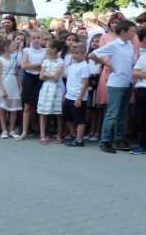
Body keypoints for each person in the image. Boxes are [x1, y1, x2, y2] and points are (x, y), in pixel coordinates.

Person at [89, 19, 137, 153]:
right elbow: (92, 55)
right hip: (116, 83)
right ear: (123, 32)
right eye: (132, 31)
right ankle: (104, 140)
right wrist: (107, 64)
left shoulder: (129, 45)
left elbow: (131, 63)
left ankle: (119, 139)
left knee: (122, 113)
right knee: (112, 113)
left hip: (127, 82)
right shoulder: (113, 45)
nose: (134, 33)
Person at [19, 30, 48, 140]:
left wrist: (32, 65)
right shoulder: (27, 50)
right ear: (30, 40)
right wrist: (39, 65)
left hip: (40, 79)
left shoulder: (45, 51)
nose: (36, 40)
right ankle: (25, 131)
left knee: (39, 107)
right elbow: (24, 65)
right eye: (34, 38)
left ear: (41, 39)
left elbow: (45, 66)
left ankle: (42, 133)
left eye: (38, 38)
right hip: (29, 79)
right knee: (27, 106)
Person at [62, 42, 91, 147]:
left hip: (78, 96)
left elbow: (85, 83)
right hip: (69, 95)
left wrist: (79, 98)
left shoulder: (84, 66)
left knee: (79, 119)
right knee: (67, 116)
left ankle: (79, 140)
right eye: (73, 52)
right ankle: (74, 135)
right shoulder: (73, 65)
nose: (74, 55)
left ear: (84, 54)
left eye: (77, 53)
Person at [37, 39, 65, 144]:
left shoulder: (60, 61)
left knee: (59, 112)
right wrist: (50, 75)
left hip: (57, 88)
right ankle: (42, 134)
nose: (46, 48)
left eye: (48, 47)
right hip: (46, 88)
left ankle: (59, 134)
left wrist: (47, 75)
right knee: (43, 111)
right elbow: (41, 76)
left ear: (54, 49)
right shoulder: (45, 61)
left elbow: (57, 76)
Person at [0, 38, 22, 138]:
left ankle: (12, 130)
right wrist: (2, 89)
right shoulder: (0, 61)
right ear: (6, 48)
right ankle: (4, 130)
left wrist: (20, 86)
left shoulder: (14, 61)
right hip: (4, 85)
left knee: (14, 109)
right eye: (12, 46)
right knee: (2, 108)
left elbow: (17, 74)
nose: (15, 47)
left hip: (13, 85)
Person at [131, 27, 146, 155]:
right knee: (141, 118)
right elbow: (135, 72)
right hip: (142, 91)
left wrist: (143, 73)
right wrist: (141, 73)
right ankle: (142, 145)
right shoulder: (143, 57)